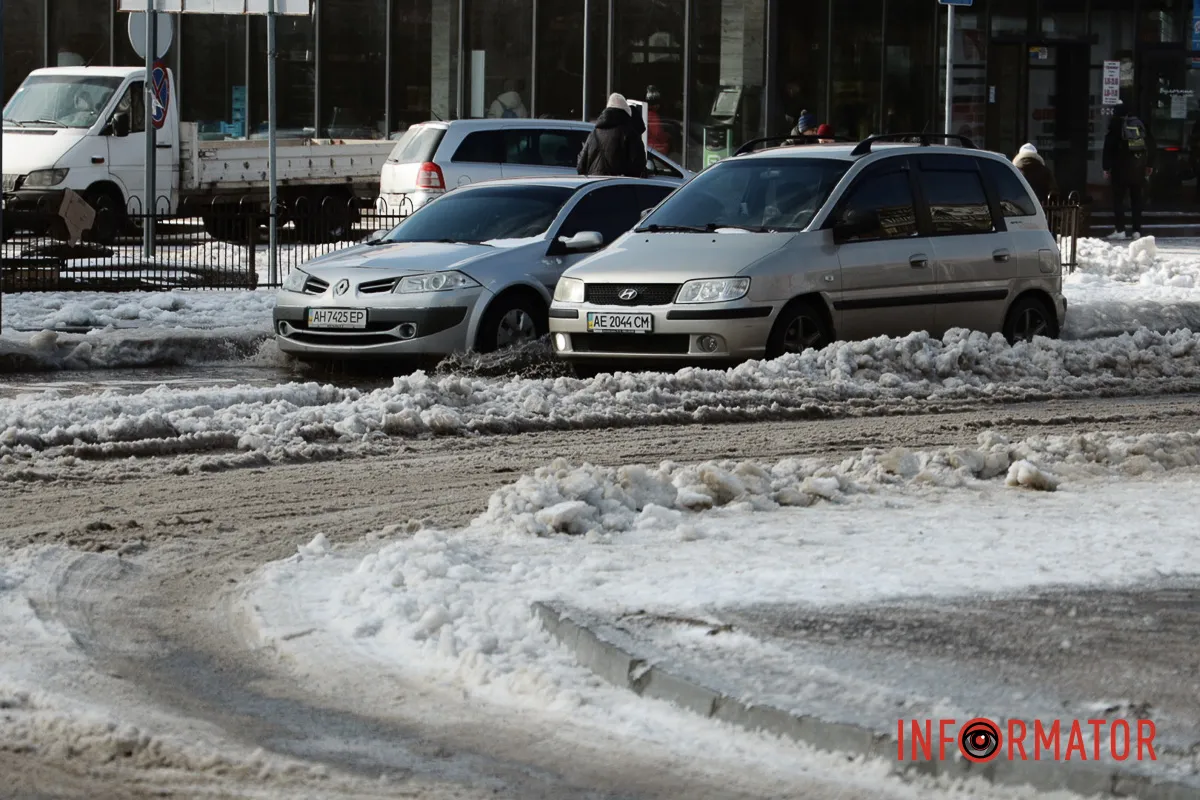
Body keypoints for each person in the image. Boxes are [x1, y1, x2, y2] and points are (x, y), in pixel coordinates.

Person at [1103, 103, 1153, 240]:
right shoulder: (1139, 125)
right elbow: (1150, 144)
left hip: (1119, 170)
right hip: (1138, 169)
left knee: (1118, 200)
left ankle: (1120, 230)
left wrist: (1106, 168)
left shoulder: (1115, 125)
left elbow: (1108, 147)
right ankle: (1137, 230)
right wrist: (1149, 164)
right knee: (1136, 200)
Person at [577, 93, 647, 178]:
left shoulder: (593, 134)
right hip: (617, 187)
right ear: (626, 112)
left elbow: (580, 166)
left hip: (595, 187)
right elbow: (638, 165)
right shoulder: (629, 133)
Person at [645, 85, 670, 155]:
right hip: (654, 150)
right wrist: (667, 136)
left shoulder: (644, 113)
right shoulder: (653, 116)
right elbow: (658, 134)